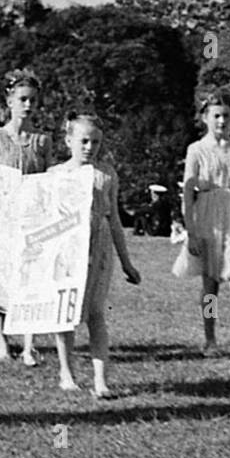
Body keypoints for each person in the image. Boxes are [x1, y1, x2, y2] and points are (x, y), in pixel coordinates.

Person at [50, 114, 140, 397]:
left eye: (96, 142)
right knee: (65, 312)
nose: (89, 147)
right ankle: (67, 372)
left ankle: (101, 380)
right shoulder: (56, 174)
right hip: (67, 247)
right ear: (68, 141)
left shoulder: (106, 174)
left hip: (98, 246)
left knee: (96, 312)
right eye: (84, 141)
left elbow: (114, 220)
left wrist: (127, 262)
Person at [172, 90, 230, 356]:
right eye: (216, 116)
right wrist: (191, 230)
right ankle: (210, 338)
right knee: (210, 284)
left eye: (226, 116)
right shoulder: (196, 150)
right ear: (205, 118)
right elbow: (188, 191)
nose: (222, 121)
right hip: (208, 216)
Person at [0, 69, 53, 365]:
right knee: (3, 282)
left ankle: (29, 344)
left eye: (33, 100)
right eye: (22, 99)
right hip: (4, 218)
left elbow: (49, 179)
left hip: (33, 219)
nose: (28, 105)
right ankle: (1, 336)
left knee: (31, 281)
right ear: (9, 101)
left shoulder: (42, 141)